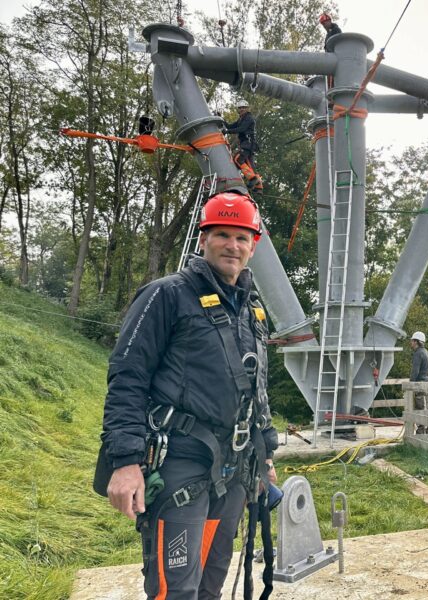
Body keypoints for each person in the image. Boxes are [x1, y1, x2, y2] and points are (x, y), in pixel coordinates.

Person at [96, 191, 279, 599]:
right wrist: (125, 462)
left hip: (234, 469)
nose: (232, 245)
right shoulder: (166, 295)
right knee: (176, 590)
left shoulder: (251, 308)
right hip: (180, 463)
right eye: (222, 234)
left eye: (242, 238)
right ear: (203, 239)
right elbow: (127, 377)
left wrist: (265, 453)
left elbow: (257, 388)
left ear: (253, 246)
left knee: (211, 585)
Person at [223, 100, 263, 193]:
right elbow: (229, 126)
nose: (241, 109)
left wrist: (227, 132)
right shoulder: (241, 119)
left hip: (248, 143)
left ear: (247, 109)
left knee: (238, 159)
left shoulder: (249, 118)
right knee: (250, 165)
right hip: (248, 144)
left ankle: (252, 178)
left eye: (243, 108)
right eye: (240, 108)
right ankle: (259, 187)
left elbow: (242, 129)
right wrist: (221, 119)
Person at [409, 331, 428, 434]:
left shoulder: (418, 353)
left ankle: (421, 432)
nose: (411, 342)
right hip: (427, 383)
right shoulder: (426, 352)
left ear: (416, 341)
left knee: (420, 407)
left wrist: (410, 385)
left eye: (412, 341)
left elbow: (415, 371)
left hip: (420, 385)